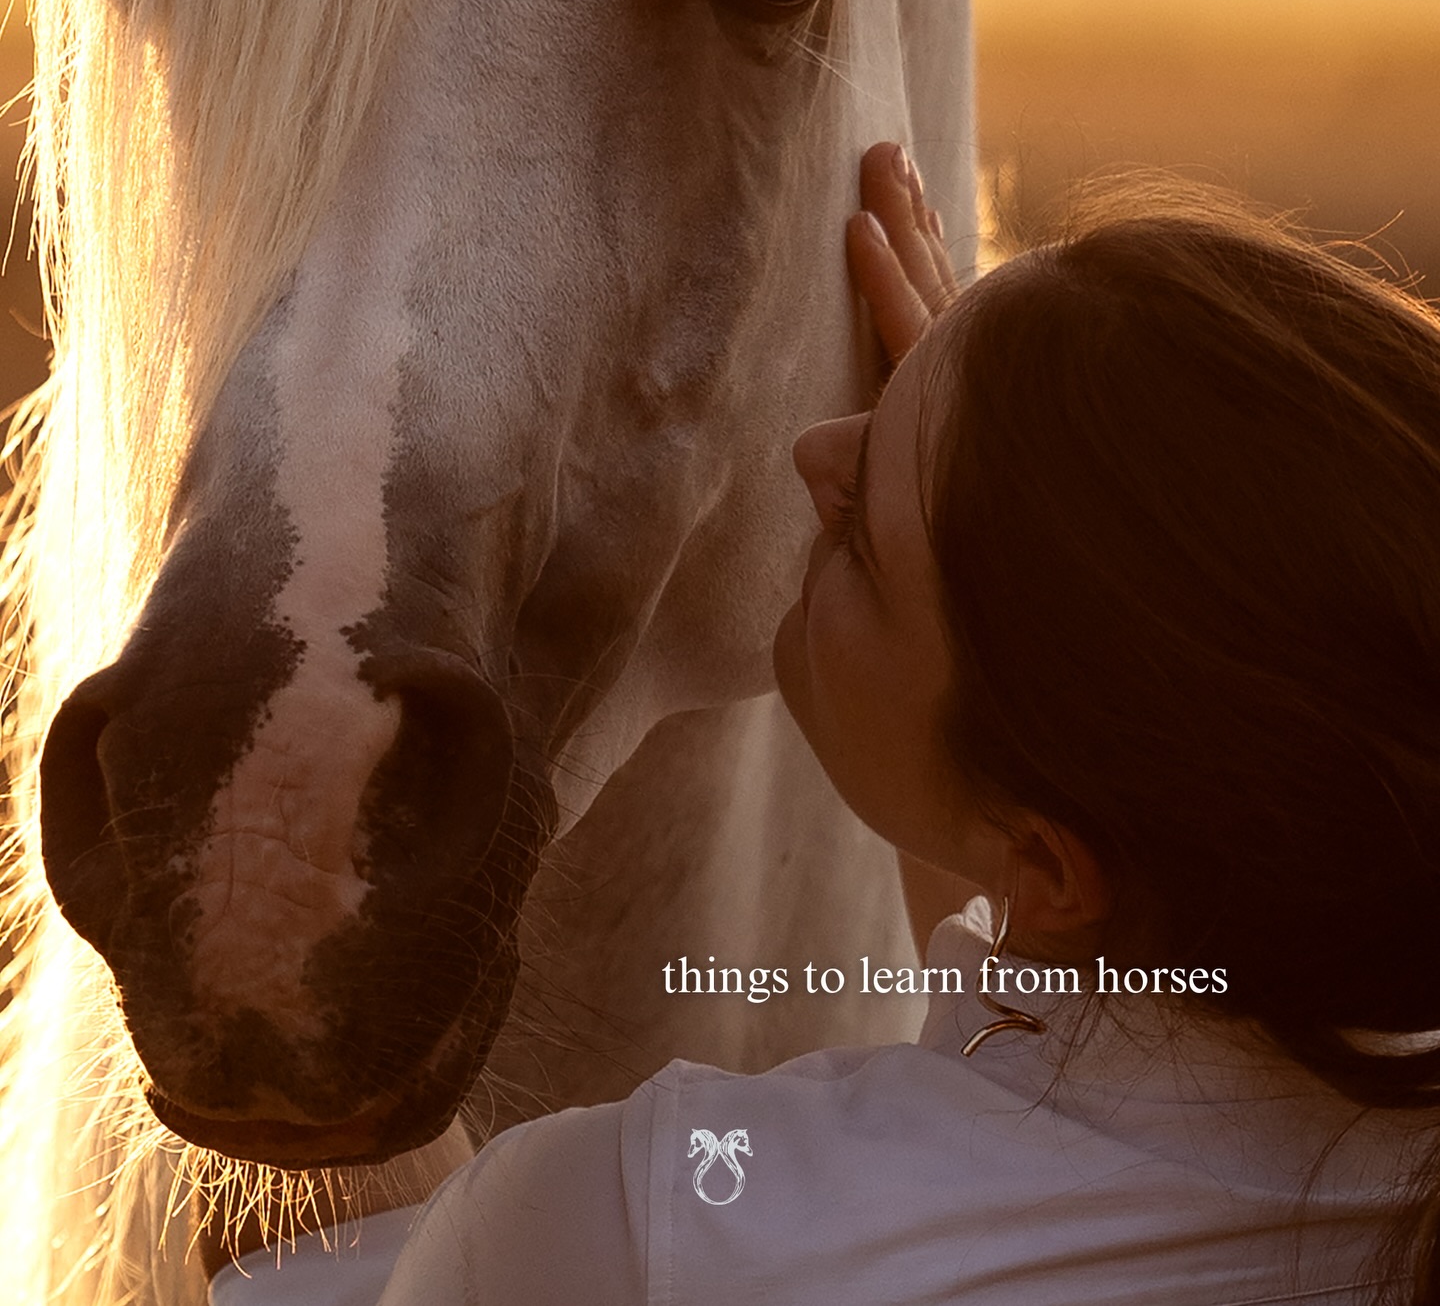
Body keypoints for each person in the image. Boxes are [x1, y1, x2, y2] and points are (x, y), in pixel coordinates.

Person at [211, 143, 1440, 1305]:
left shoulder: (650, 1235)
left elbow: (296, 1258)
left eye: (858, 536)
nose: (812, 449)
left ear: (1054, 863)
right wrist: (988, 444)